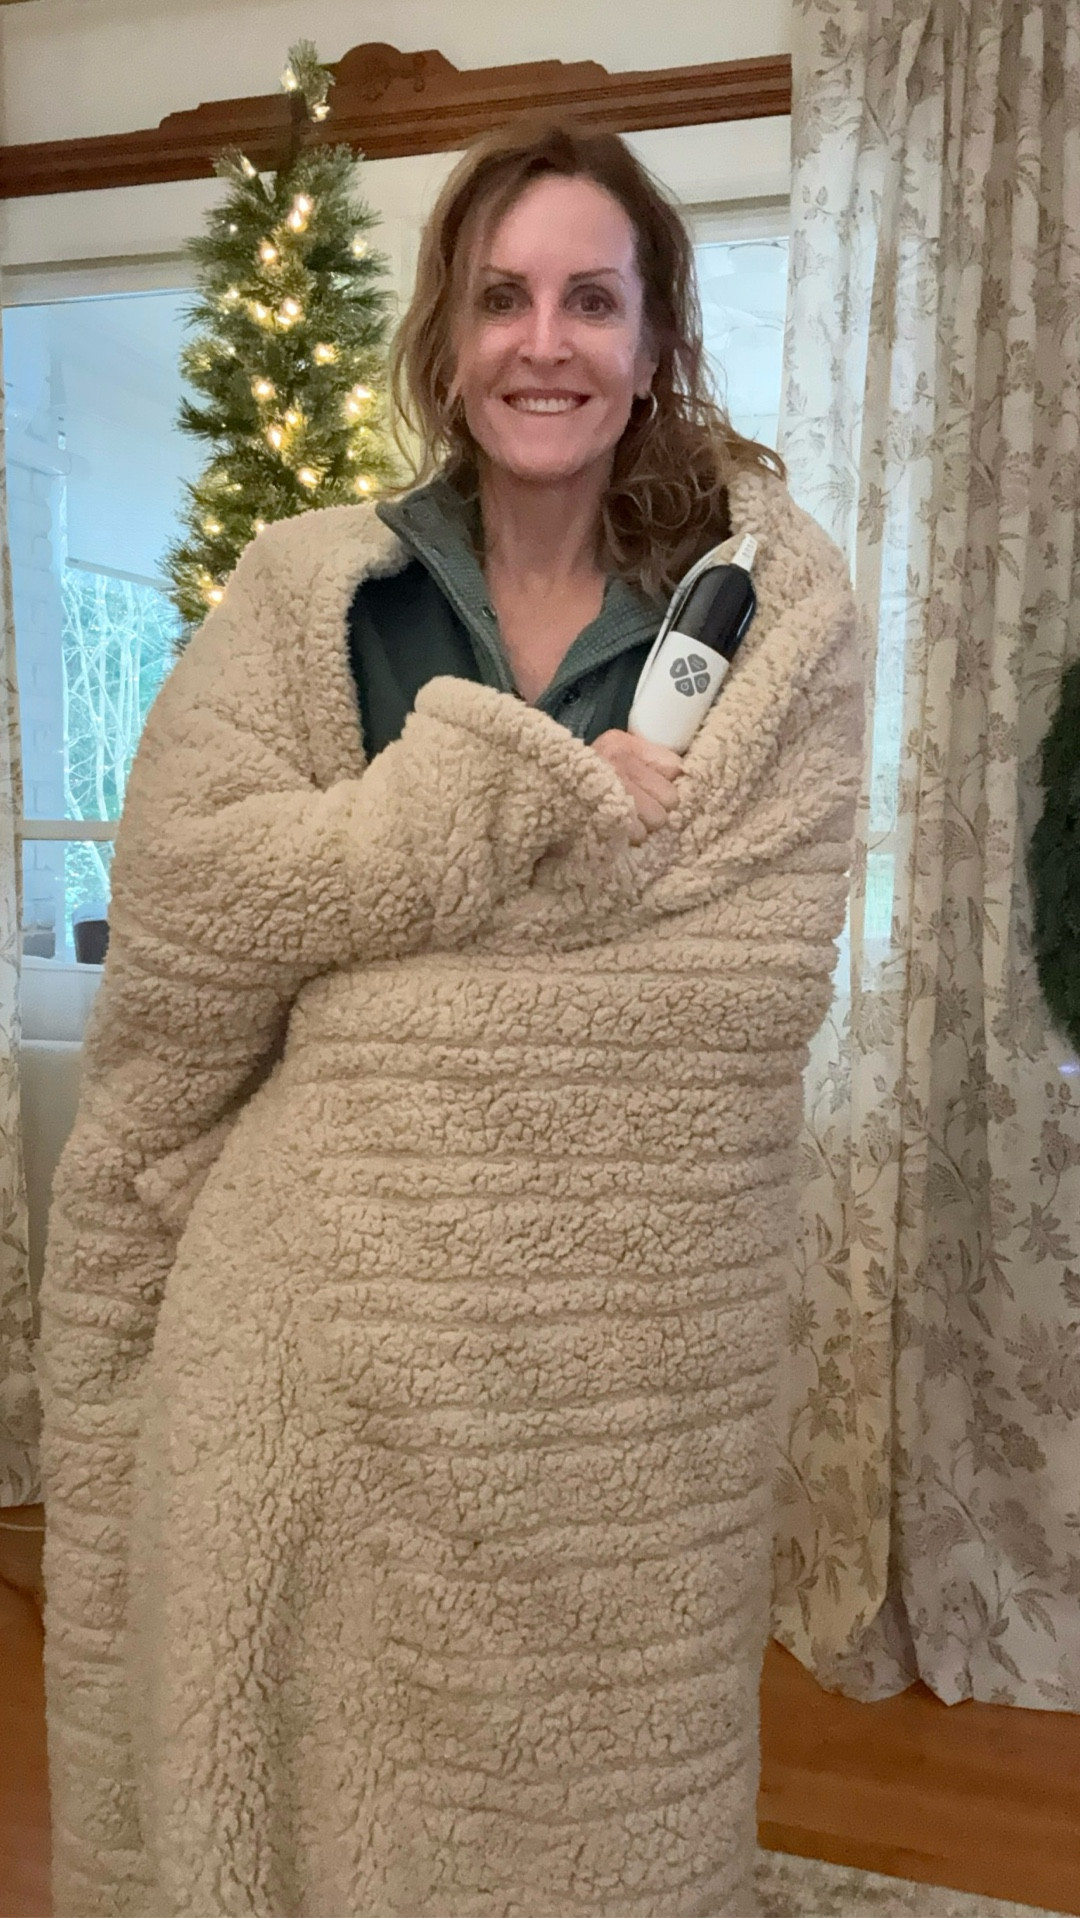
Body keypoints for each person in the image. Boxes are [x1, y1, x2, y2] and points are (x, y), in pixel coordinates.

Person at [37, 113, 863, 1918]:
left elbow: (740, 985)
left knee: (600, 1811)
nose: (542, 344)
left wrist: (378, 950)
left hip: (628, 1376)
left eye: (590, 299)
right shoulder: (317, 591)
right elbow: (198, 897)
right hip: (335, 1343)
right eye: (501, 298)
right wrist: (498, 800)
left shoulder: (758, 617)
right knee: (337, 1794)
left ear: (655, 337)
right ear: (448, 331)